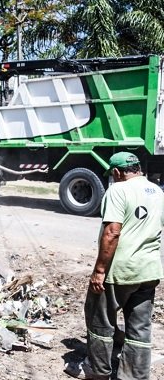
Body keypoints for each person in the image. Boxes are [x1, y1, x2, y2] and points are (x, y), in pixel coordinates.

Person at [65, 152, 164, 380]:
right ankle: (134, 375)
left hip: (119, 271)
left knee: (99, 320)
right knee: (140, 328)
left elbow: (112, 233)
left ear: (118, 172)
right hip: (148, 270)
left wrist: (99, 270)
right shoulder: (157, 191)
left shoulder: (118, 190)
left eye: (113, 174)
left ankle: (97, 371)